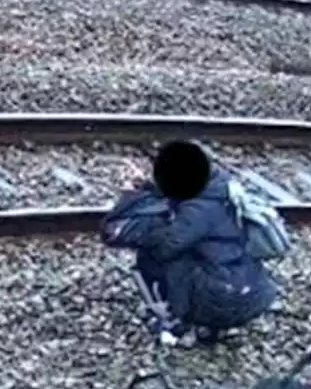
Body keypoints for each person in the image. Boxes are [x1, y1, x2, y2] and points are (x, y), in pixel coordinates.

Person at [101, 140, 279, 345]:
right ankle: (204, 323)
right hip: (244, 287)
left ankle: (176, 322)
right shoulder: (220, 190)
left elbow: (167, 247)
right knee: (196, 255)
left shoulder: (200, 208)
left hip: (226, 298)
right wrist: (146, 187)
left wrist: (149, 225)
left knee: (154, 257)